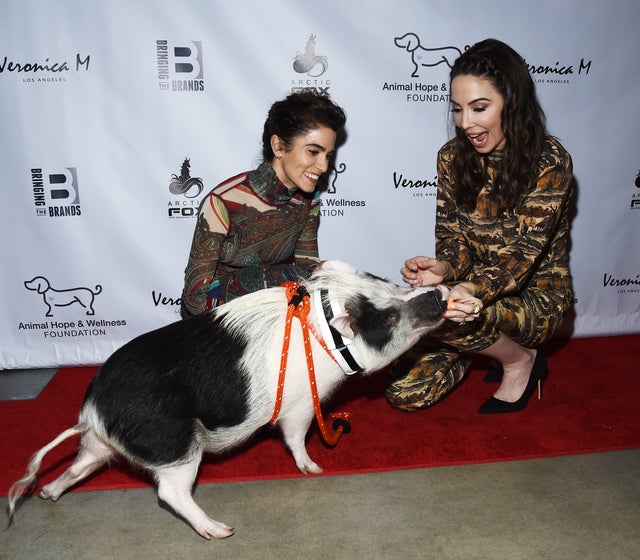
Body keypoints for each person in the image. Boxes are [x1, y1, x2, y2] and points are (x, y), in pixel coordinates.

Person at [384, 38, 574, 414]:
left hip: (535, 297)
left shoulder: (549, 161)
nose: (466, 123)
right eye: (457, 109)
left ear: (512, 102)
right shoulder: (451, 158)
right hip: (467, 294)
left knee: (451, 305)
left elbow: (519, 258)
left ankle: (520, 359)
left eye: (479, 107)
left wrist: (465, 287)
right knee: (404, 393)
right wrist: (445, 268)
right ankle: (475, 343)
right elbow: (452, 237)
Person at [181, 91, 346, 317]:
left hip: (272, 316)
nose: (324, 166)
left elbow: (306, 265)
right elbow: (194, 299)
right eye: (313, 151)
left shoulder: (309, 199)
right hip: (214, 327)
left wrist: (334, 274)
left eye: (328, 155)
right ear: (278, 146)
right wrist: (275, 281)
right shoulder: (224, 203)